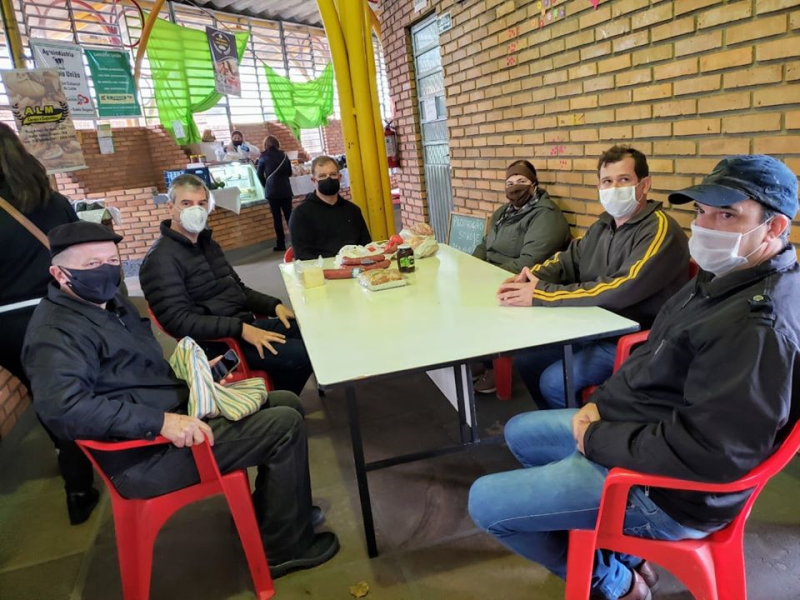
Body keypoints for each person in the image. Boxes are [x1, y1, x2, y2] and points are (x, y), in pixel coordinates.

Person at [469, 154, 800, 600]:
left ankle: (614, 581)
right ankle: (623, 553)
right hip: (640, 429)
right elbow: (651, 358)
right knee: (520, 431)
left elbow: (711, 454)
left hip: (667, 493)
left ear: (775, 228)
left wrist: (597, 438)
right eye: (702, 212)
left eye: (727, 214)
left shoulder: (759, 328)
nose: (705, 226)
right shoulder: (723, 278)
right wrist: (599, 404)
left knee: (485, 503)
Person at [22, 221, 339, 577]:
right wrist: (161, 422)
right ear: (59, 274)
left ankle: (276, 516)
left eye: (112, 261)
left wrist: (195, 374)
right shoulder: (56, 333)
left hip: (171, 415)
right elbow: (62, 409)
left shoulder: (110, 305)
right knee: (283, 426)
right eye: (92, 265)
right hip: (142, 456)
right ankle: (284, 549)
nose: (106, 271)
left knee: (284, 402)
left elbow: (136, 372)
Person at [498, 145, 689, 408]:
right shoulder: (603, 225)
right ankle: (555, 429)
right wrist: (529, 277)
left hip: (637, 341)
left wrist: (541, 293)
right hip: (594, 327)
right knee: (527, 360)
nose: (614, 188)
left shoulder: (659, 230)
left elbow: (620, 288)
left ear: (644, 185)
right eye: (607, 181)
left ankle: (583, 439)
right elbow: (568, 259)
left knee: (555, 381)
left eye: (624, 180)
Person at [0, 122, 97, 525]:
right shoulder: (52, 201)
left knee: (45, 393)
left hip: (5, 325)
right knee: (75, 390)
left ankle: (73, 470)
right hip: (59, 312)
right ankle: (82, 479)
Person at [139, 174, 313, 396]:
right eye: (186, 203)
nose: (196, 209)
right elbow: (177, 321)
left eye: (201, 203)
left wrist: (273, 305)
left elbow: (237, 289)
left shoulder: (208, 244)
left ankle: (276, 394)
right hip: (219, 345)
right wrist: (239, 329)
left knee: (309, 331)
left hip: (243, 326)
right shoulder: (160, 260)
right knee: (306, 353)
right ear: (170, 207)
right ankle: (277, 402)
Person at [471, 159, 570, 393]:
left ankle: (495, 367)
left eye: (522, 181)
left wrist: (488, 275)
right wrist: (472, 267)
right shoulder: (503, 213)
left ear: (534, 185)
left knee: (484, 302)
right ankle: (484, 356)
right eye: (510, 182)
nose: (514, 187)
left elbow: (529, 262)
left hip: (520, 280)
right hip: (493, 274)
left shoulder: (546, 216)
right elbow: (485, 244)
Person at [288, 155, 371, 260]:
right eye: (322, 176)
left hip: (356, 269)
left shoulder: (353, 210)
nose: (329, 179)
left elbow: (366, 245)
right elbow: (303, 256)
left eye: (333, 174)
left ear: (339, 177)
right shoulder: (300, 215)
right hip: (321, 272)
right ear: (314, 181)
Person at [256, 135, 294, 252]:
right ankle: (295, 241)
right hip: (286, 189)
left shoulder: (262, 157)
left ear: (265, 145)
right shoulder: (284, 155)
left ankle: (281, 244)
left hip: (272, 192)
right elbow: (289, 172)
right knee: (289, 217)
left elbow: (258, 174)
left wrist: (266, 184)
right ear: (277, 143)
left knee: (277, 218)